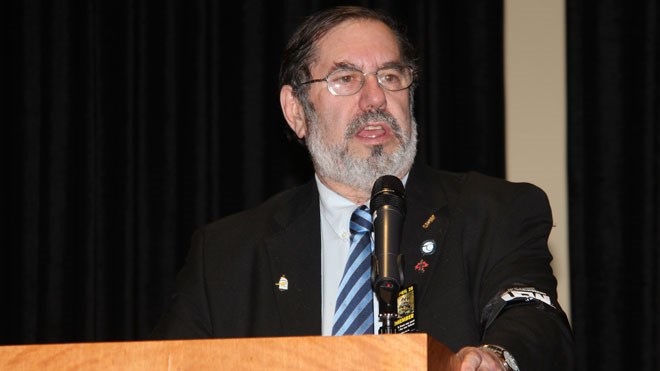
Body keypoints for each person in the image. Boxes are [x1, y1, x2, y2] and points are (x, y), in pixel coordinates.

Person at [152, 6, 574, 370]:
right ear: (296, 111)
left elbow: (531, 315)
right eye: (346, 78)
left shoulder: (493, 212)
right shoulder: (226, 254)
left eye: (390, 76)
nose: (375, 98)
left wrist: (498, 356)